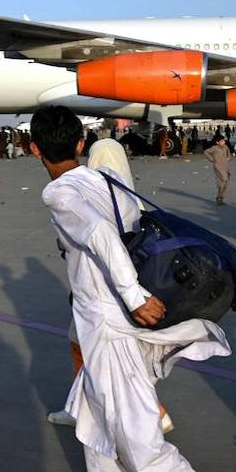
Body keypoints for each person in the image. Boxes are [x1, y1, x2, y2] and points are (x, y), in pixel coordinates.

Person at [30, 106, 236, 472]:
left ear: (34, 149)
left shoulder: (60, 194)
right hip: (117, 324)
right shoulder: (109, 183)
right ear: (79, 145)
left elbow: (103, 236)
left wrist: (132, 298)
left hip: (113, 327)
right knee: (92, 425)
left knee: (136, 437)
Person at [46, 138, 175, 434]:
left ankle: (156, 413)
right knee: (90, 349)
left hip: (108, 293)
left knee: (115, 362)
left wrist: (133, 298)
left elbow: (101, 239)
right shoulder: (125, 196)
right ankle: (78, 407)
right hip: (120, 292)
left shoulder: (85, 196)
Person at [204, 133, 231, 205]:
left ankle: (220, 198)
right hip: (218, 166)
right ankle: (219, 197)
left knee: (226, 183)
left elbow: (228, 151)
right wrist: (211, 159)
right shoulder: (214, 148)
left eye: (224, 141)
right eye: (221, 141)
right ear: (217, 142)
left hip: (225, 166)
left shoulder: (225, 147)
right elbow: (206, 152)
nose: (223, 142)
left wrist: (228, 157)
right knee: (224, 179)